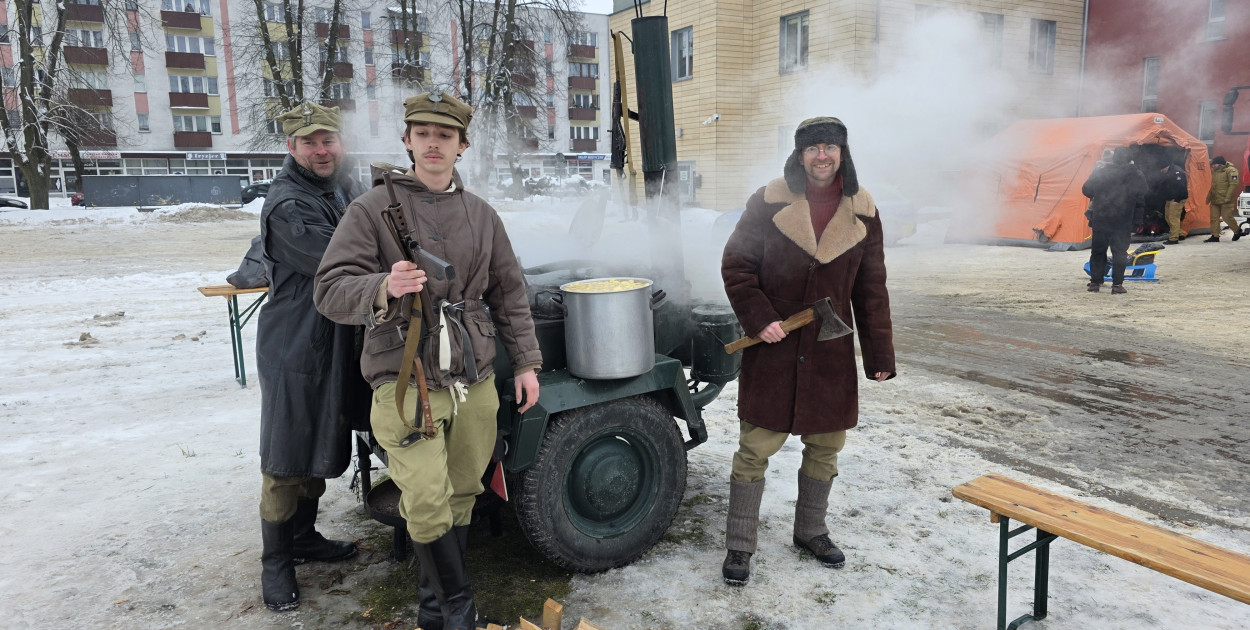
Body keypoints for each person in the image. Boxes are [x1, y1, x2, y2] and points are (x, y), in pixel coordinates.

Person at [313, 92, 542, 630]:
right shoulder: (371, 210)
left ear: (462, 145)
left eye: (445, 135)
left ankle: (434, 611)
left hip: (473, 374)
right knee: (425, 494)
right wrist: (382, 285)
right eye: (423, 134)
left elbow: (510, 294)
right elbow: (328, 289)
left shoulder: (483, 215)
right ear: (408, 141)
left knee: (463, 489)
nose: (433, 143)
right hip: (404, 374)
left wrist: (526, 365)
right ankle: (459, 611)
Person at [719, 117, 895, 586]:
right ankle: (740, 543)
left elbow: (871, 288)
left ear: (842, 153)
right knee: (754, 449)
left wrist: (879, 355)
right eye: (813, 148)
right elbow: (737, 265)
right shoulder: (768, 201)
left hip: (829, 353)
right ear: (800, 155)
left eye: (830, 147)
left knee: (825, 447)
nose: (822, 156)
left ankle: (811, 531)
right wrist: (760, 318)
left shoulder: (864, 211)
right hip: (773, 347)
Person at [255, 101, 370, 612]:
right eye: (310, 143)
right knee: (286, 455)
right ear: (291, 147)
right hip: (296, 345)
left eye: (328, 140)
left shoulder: (342, 188)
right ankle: (276, 562)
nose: (321, 151)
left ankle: (303, 537)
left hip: (335, 339)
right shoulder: (288, 204)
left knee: (321, 438)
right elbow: (342, 263)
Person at [1081, 146, 1147, 294]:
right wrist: (1136, 223)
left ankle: (1095, 283)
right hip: (1123, 220)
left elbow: (1086, 189)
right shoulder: (1136, 174)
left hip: (1101, 218)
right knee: (1120, 253)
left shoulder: (1101, 171)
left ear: (1114, 157)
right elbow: (1140, 199)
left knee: (1098, 251)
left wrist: (1099, 191)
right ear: (1129, 159)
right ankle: (1117, 285)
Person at [1205, 156, 1242, 242]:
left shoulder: (1231, 170)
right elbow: (1213, 186)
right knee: (1214, 218)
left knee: (1226, 217)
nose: (1213, 166)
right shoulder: (1215, 171)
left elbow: (1233, 185)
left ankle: (1237, 230)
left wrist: (1228, 197)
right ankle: (1215, 236)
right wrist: (1208, 198)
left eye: (1214, 164)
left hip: (1225, 200)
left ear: (1220, 164)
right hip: (1215, 199)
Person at [1159, 162, 1189, 244]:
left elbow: (1181, 187)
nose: (1162, 171)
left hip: (1177, 198)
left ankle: (1173, 239)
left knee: (1173, 218)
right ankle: (1180, 233)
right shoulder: (1170, 172)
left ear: (1165, 167)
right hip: (1171, 198)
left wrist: (1177, 200)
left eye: (1162, 169)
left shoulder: (1176, 172)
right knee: (1168, 217)